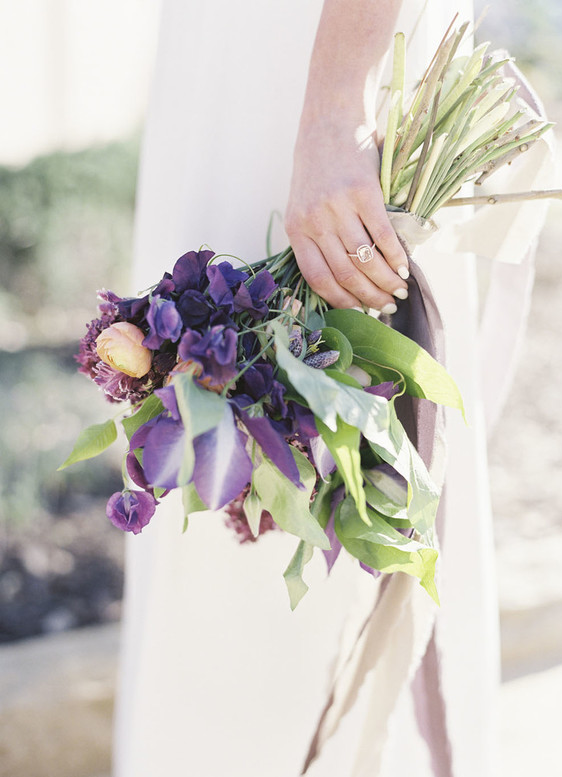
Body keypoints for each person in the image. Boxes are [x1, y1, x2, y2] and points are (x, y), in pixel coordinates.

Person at [113, 1, 503, 775]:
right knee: (204, 469)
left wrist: (335, 107)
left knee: (305, 477)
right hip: (232, 55)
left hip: (304, 57)